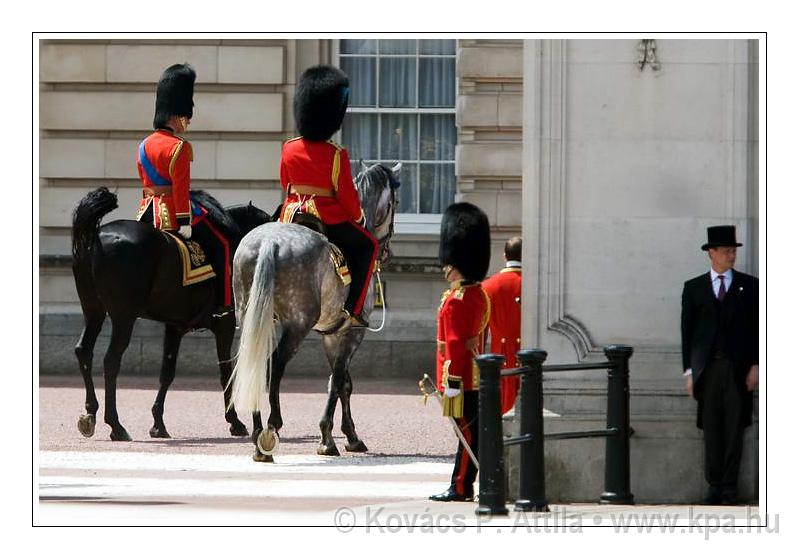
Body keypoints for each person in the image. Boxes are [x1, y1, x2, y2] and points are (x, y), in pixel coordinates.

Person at [278, 64, 378, 328]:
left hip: (290, 213)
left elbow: (285, 183)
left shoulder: (288, 148)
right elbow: (346, 196)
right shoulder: (335, 154)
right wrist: (358, 216)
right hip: (326, 216)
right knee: (369, 246)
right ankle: (353, 308)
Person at [135, 63, 233, 317]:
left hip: (146, 213)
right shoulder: (179, 147)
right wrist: (184, 221)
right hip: (172, 212)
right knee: (222, 244)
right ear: (177, 115)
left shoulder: (143, 145)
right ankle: (224, 304)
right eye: (186, 116)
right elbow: (181, 189)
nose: (187, 121)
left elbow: (146, 183)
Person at [681, 225, 758, 505]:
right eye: (726, 250)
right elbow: (687, 333)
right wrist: (689, 371)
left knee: (735, 428)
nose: (731, 255)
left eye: (733, 250)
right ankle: (714, 486)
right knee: (711, 429)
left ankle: (729, 487)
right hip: (708, 370)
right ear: (711, 253)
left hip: (738, 369)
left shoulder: (751, 286)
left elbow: (757, 329)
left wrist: (757, 365)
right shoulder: (694, 288)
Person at [429, 202, 491, 502]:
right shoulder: (477, 293)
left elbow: (453, 345)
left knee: (466, 435)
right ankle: (463, 483)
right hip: (473, 377)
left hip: (459, 379)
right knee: (470, 434)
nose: (445, 267)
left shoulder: (457, 299)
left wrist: (449, 385)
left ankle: (461, 486)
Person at [482, 236, 522, 414]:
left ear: (504, 256)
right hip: (529, 355)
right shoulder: (534, 284)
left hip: (499, 354)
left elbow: (480, 331)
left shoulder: (488, 286)